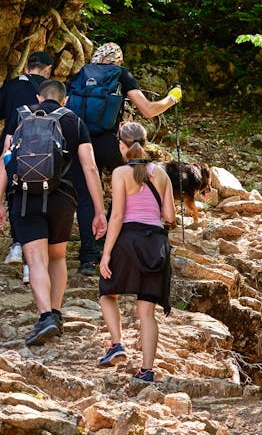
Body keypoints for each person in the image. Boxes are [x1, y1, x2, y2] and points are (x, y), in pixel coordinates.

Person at [0, 80, 107, 345]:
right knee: (57, 257)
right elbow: (89, 168)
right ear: (65, 100)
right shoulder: (74, 120)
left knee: (35, 260)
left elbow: (5, 159)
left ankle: (45, 317)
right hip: (62, 197)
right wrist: (99, 211)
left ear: (38, 97)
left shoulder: (20, 115)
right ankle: (55, 312)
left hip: (24, 198)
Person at [69, 42, 182, 276]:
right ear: (118, 60)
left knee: (86, 198)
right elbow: (148, 110)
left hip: (80, 141)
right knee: (128, 185)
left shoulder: (81, 74)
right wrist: (172, 98)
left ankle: (88, 257)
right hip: (112, 143)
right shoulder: (120, 74)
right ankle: (112, 237)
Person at [98, 121, 176, 383]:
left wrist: (106, 253)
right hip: (156, 245)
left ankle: (117, 344)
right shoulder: (163, 174)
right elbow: (169, 216)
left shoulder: (121, 173)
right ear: (145, 141)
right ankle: (147, 370)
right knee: (147, 311)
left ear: (122, 144)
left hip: (128, 241)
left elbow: (118, 216)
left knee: (107, 292)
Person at [0, 50, 53, 283]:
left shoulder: (11, 86)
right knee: (40, 201)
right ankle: (32, 264)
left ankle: (17, 244)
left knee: (15, 195)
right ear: (47, 69)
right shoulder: (51, 89)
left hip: (14, 149)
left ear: (27, 66)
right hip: (46, 152)